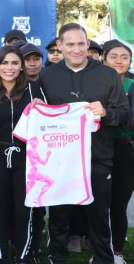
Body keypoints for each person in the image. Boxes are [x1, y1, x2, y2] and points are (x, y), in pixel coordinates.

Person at [39, 23, 130, 264]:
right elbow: (40, 113)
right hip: (59, 159)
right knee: (58, 214)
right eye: (70, 44)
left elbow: (123, 114)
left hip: (97, 156)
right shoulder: (47, 75)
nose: (77, 49)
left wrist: (106, 112)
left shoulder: (107, 74)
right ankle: (56, 257)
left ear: (88, 44)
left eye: (81, 43)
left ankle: (102, 259)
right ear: (60, 46)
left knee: (99, 216)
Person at [0, 45, 46, 264]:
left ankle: (23, 256)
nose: (10, 68)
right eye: (4, 63)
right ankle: (2, 258)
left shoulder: (34, 89)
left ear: (22, 66)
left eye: (15, 63)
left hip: (28, 157)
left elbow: (47, 122)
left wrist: (42, 108)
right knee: (2, 209)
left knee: (24, 210)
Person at [101, 40, 134, 263]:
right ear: (104, 58)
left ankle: (117, 251)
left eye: (124, 57)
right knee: (98, 203)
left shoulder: (132, 84)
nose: (119, 61)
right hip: (98, 148)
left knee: (120, 204)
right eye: (114, 56)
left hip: (126, 151)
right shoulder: (94, 83)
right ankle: (99, 250)